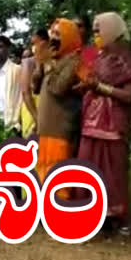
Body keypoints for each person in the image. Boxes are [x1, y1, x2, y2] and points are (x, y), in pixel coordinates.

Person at [75, 13, 131, 235]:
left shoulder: (125, 58)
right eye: (93, 30)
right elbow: (80, 76)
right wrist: (85, 85)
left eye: (98, 29)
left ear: (112, 30)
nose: (95, 34)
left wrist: (100, 88)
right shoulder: (90, 54)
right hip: (90, 119)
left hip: (113, 122)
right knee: (87, 164)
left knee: (114, 170)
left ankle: (117, 218)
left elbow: (129, 96)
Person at [31, 18, 83, 197]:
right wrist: (39, 65)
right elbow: (36, 89)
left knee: (59, 180)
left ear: (68, 37)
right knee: (43, 177)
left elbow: (58, 88)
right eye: (51, 33)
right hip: (45, 131)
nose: (53, 38)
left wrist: (48, 63)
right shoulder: (52, 59)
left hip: (61, 131)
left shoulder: (74, 59)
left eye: (58, 34)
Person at [20, 29, 49, 138]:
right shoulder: (27, 63)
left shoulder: (52, 62)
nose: (34, 47)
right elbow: (25, 93)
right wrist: (37, 120)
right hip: (32, 111)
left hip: (48, 110)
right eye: (32, 44)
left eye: (35, 43)